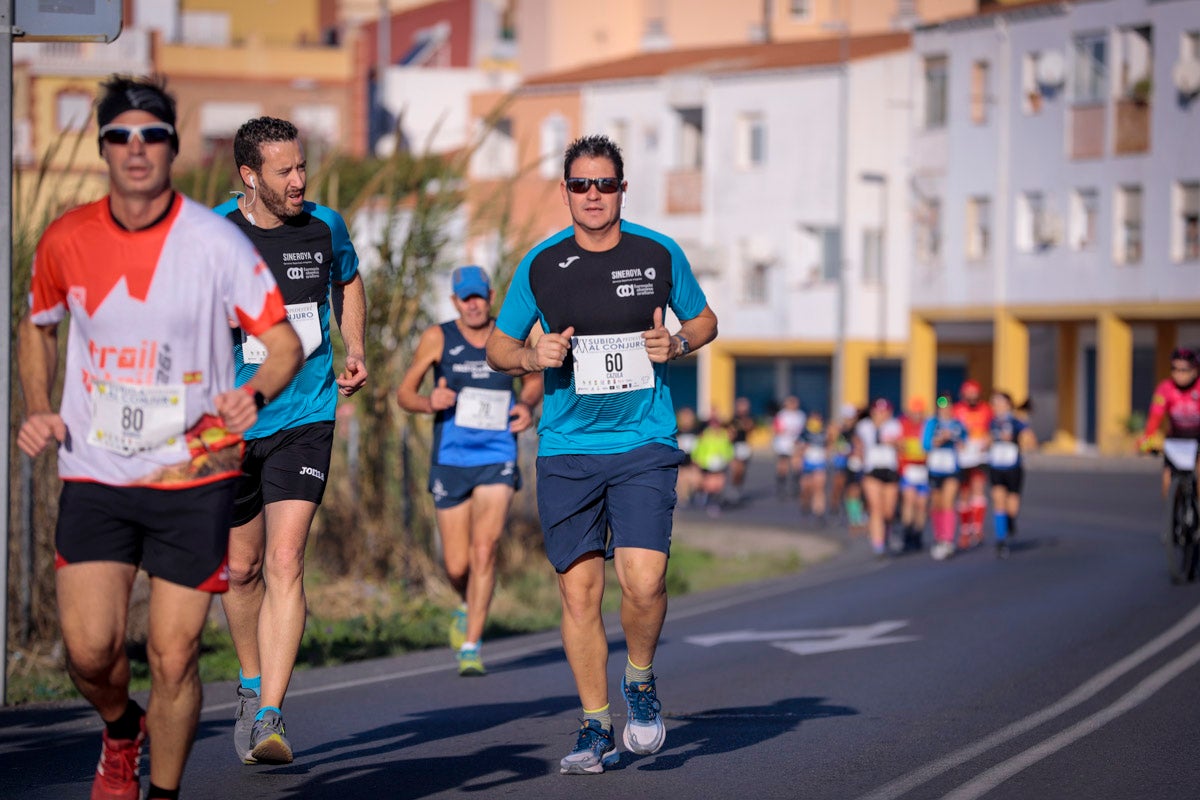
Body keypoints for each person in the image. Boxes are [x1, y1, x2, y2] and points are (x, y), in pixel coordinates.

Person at [15, 75, 302, 800]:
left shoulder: (214, 241)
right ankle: (119, 728)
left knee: (173, 656)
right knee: (90, 651)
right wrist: (38, 404)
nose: (136, 149)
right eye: (121, 136)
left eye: (152, 136)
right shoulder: (66, 237)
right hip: (96, 470)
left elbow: (282, 341)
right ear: (103, 147)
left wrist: (253, 391)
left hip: (194, 470)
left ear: (173, 146)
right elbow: (37, 324)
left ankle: (164, 793)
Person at [485, 134, 718, 774]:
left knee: (645, 582)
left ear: (621, 188)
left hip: (644, 441)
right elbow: (499, 349)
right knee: (579, 596)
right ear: (565, 192)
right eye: (581, 185)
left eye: (605, 184)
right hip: (567, 449)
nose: (593, 196)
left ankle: (639, 681)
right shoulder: (540, 264)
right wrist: (532, 355)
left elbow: (704, 321)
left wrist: (677, 341)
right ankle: (594, 728)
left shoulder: (658, 252)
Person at [213, 116, 368, 765]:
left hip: (307, 413)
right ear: (250, 176)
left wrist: (354, 344)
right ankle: (250, 686)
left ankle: (272, 714)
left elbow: (349, 279)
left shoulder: (324, 225)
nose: (300, 180)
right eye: (285, 171)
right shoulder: (213, 232)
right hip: (237, 419)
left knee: (284, 560)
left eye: (302, 166)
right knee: (241, 568)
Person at [396, 265, 543, 676]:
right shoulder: (438, 337)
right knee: (457, 565)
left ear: (491, 296)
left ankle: (472, 645)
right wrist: (430, 400)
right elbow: (404, 393)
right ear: (454, 302)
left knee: (485, 550)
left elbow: (535, 378)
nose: (473, 304)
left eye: (479, 296)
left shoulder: (510, 334)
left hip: (497, 454)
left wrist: (526, 405)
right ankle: (467, 603)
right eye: (466, 298)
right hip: (451, 458)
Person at [1139, 347, 1200, 499]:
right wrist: (1147, 439)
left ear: (1194, 371)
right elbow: (1155, 417)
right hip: (1176, 438)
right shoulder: (1165, 389)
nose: (1179, 374)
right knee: (1166, 480)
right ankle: (1173, 511)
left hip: (1197, 437)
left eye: (1184, 370)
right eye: (1175, 369)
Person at [854, 398, 903, 556]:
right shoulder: (864, 426)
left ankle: (886, 533)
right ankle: (878, 543)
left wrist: (893, 443)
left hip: (890, 469)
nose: (881, 415)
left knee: (888, 511)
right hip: (872, 470)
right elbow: (858, 445)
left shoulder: (895, 425)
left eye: (884, 411)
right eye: (878, 411)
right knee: (876, 509)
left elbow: (902, 446)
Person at [923, 393, 968, 560]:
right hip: (935, 468)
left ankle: (948, 540)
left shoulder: (958, 424)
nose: (945, 410)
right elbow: (925, 445)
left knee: (948, 501)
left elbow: (965, 444)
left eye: (947, 406)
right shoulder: (932, 423)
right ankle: (939, 537)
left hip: (951, 468)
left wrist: (954, 439)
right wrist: (939, 439)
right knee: (937, 503)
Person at [987, 391, 1030, 558]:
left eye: (999, 403)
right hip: (996, 466)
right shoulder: (992, 423)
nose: (996, 406)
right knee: (998, 500)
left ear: (1008, 404)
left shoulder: (1016, 421)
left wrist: (1015, 439)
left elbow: (1029, 440)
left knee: (1012, 506)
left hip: (1013, 467)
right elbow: (986, 439)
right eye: (994, 403)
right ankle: (1001, 540)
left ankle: (1010, 521)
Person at [953, 379, 993, 549]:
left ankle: (977, 527)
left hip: (980, 454)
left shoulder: (986, 410)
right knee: (964, 492)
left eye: (974, 394)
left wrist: (988, 440)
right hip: (963, 456)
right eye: (968, 394)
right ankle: (965, 529)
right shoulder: (957, 410)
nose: (972, 397)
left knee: (978, 488)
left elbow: (991, 429)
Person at [897, 398, 931, 552]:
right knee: (909, 501)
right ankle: (907, 533)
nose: (917, 416)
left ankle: (918, 533)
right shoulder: (902, 425)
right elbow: (898, 445)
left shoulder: (927, 426)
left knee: (922, 505)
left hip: (923, 470)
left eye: (919, 412)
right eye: (914, 412)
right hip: (908, 469)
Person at [691, 414, 735, 516]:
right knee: (710, 485)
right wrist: (697, 460)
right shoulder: (704, 436)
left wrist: (728, 458)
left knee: (719, 485)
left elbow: (728, 449)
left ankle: (714, 502)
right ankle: (709, 501)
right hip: (707, 464)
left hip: (721, 464)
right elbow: (698, 448)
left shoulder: (724, 435)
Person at [798, 411, 829, 524]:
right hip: (807, 463)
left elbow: (829, 446)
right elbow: (798, 447)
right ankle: (805, 504)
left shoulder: (825, 432)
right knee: (806, 488)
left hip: (819, 464)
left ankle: (819, 512)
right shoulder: (805, 433)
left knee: (819, 489)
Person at [772, 396, 805, 499]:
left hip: (796, 443)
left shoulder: (800, 415)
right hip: (783, 443)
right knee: (783, 465)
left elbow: (802, 430)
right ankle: (781, 485)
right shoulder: (782, 415)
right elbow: (777, 429)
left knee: (797, 464)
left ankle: (796, 486)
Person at [727, 397, 756, 505]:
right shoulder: (733, 419)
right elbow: (730, 434)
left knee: (741, 471)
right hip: (734, 446)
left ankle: (738, 488)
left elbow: (750, 429)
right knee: (736, 469)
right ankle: (732, 489)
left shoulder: (749, 418)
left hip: (744, 446)